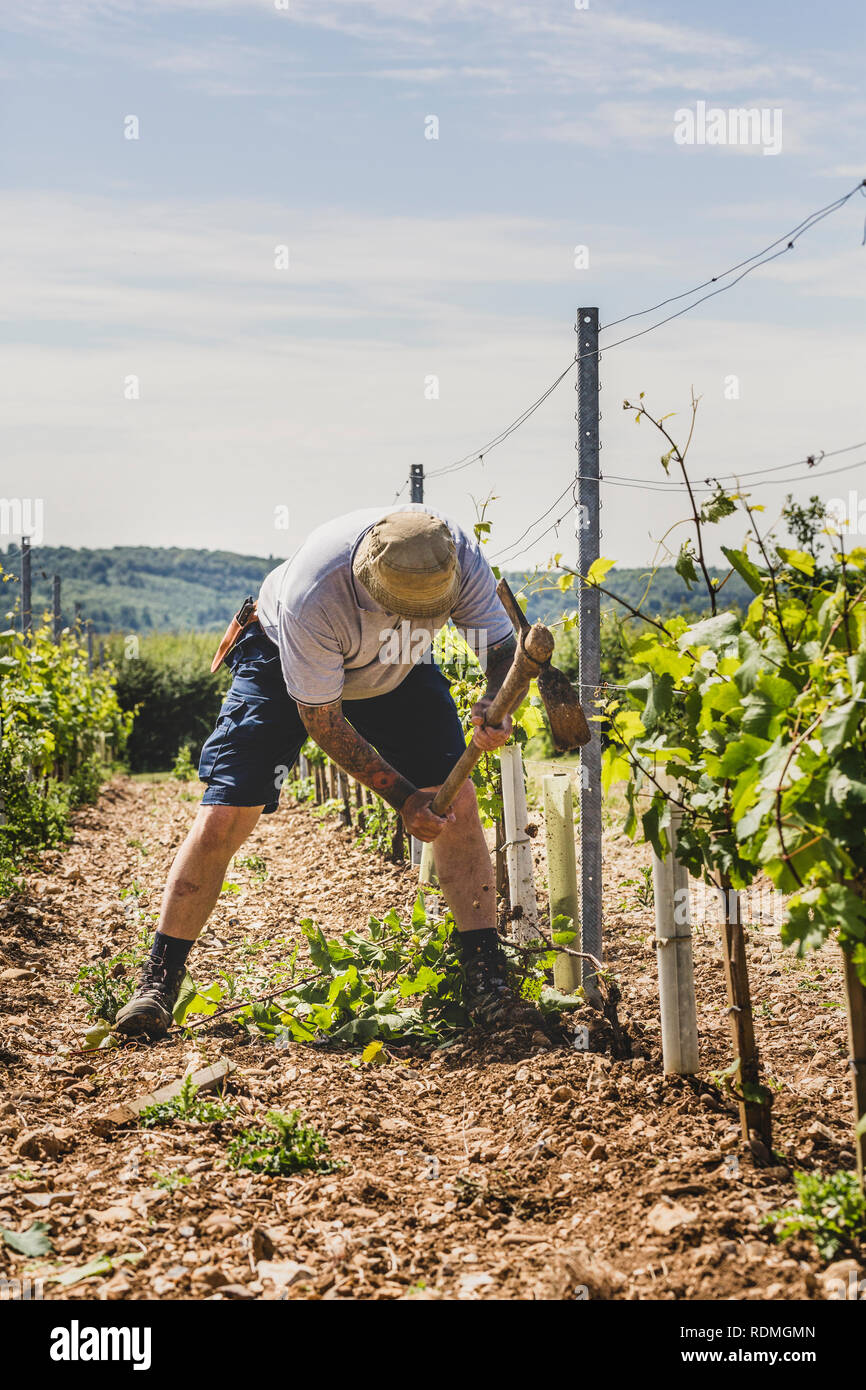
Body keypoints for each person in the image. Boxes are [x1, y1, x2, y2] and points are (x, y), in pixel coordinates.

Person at [116, 505, 533, 1040]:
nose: (414, 613)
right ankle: (158, 980)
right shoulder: (316, 593)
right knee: (226, 814)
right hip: (281, 662)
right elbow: (325, 723)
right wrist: (404, 798)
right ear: (368, 580)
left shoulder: (455, 555)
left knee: (457, 805)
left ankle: (487, 978)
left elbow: (502, 652)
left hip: (397, 669)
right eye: (401, 605)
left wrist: (493, 700)